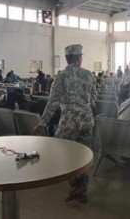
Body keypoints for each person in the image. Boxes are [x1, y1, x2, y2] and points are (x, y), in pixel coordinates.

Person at [32, 44, 96, 204]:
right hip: (87, 120)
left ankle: (76, 184)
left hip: (69, 121)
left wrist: (42, 123)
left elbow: (53, 102)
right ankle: (81, 188)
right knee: (84, 155)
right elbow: (92, 99)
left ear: (67, 59)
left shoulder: (61, 76)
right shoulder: (89, 75)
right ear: (80, 59)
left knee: (62, 152)